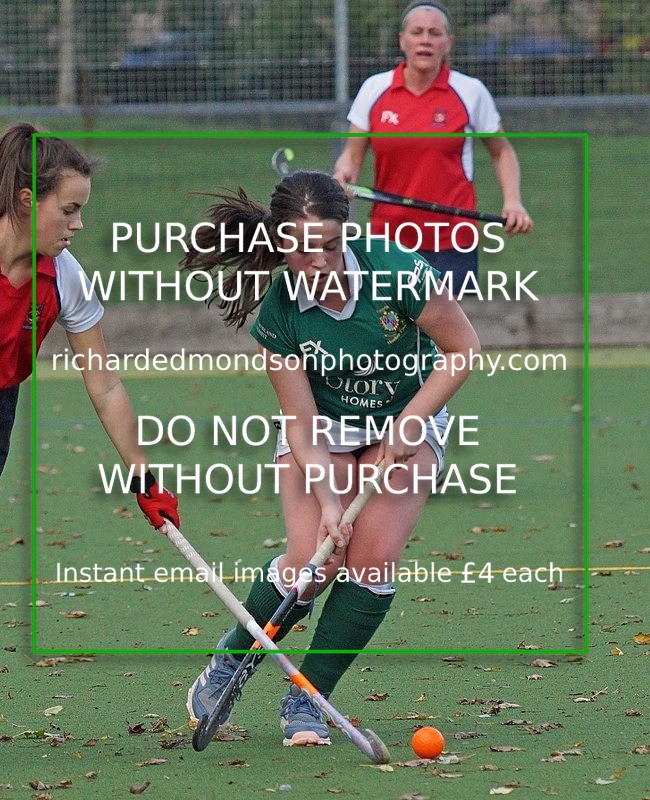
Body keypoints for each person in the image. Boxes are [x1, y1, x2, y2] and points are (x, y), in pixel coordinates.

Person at [181, 171, 479, 746]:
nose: (318, 262)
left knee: (373, 561)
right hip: (325, 428)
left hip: (407, 412)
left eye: (329, 246)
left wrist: (412, 419)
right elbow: (300, 423)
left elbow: (463, 348)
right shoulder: (280, 313)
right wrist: (328, 501)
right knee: (312, 566)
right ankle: (231, 661)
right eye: (301, 249)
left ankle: (309, 696)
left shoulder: (398, 272)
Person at [0, 122, 179, 592]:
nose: (78, 225)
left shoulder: (65, 279)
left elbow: (105, 385)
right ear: (26, 200)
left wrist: (143, 473)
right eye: (69, 210)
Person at [333, 1, 534, 289]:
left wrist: (513, 201)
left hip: (453, 242)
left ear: (448, 43)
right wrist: (343, 175)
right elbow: (351, 156)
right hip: (388, 240)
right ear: (402, 40)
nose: (425, 40)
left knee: (452, 320)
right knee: (389, 319)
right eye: (417, 32)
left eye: (434, 33)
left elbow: (501, 151)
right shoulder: (374, 89)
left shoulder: (470, 92)